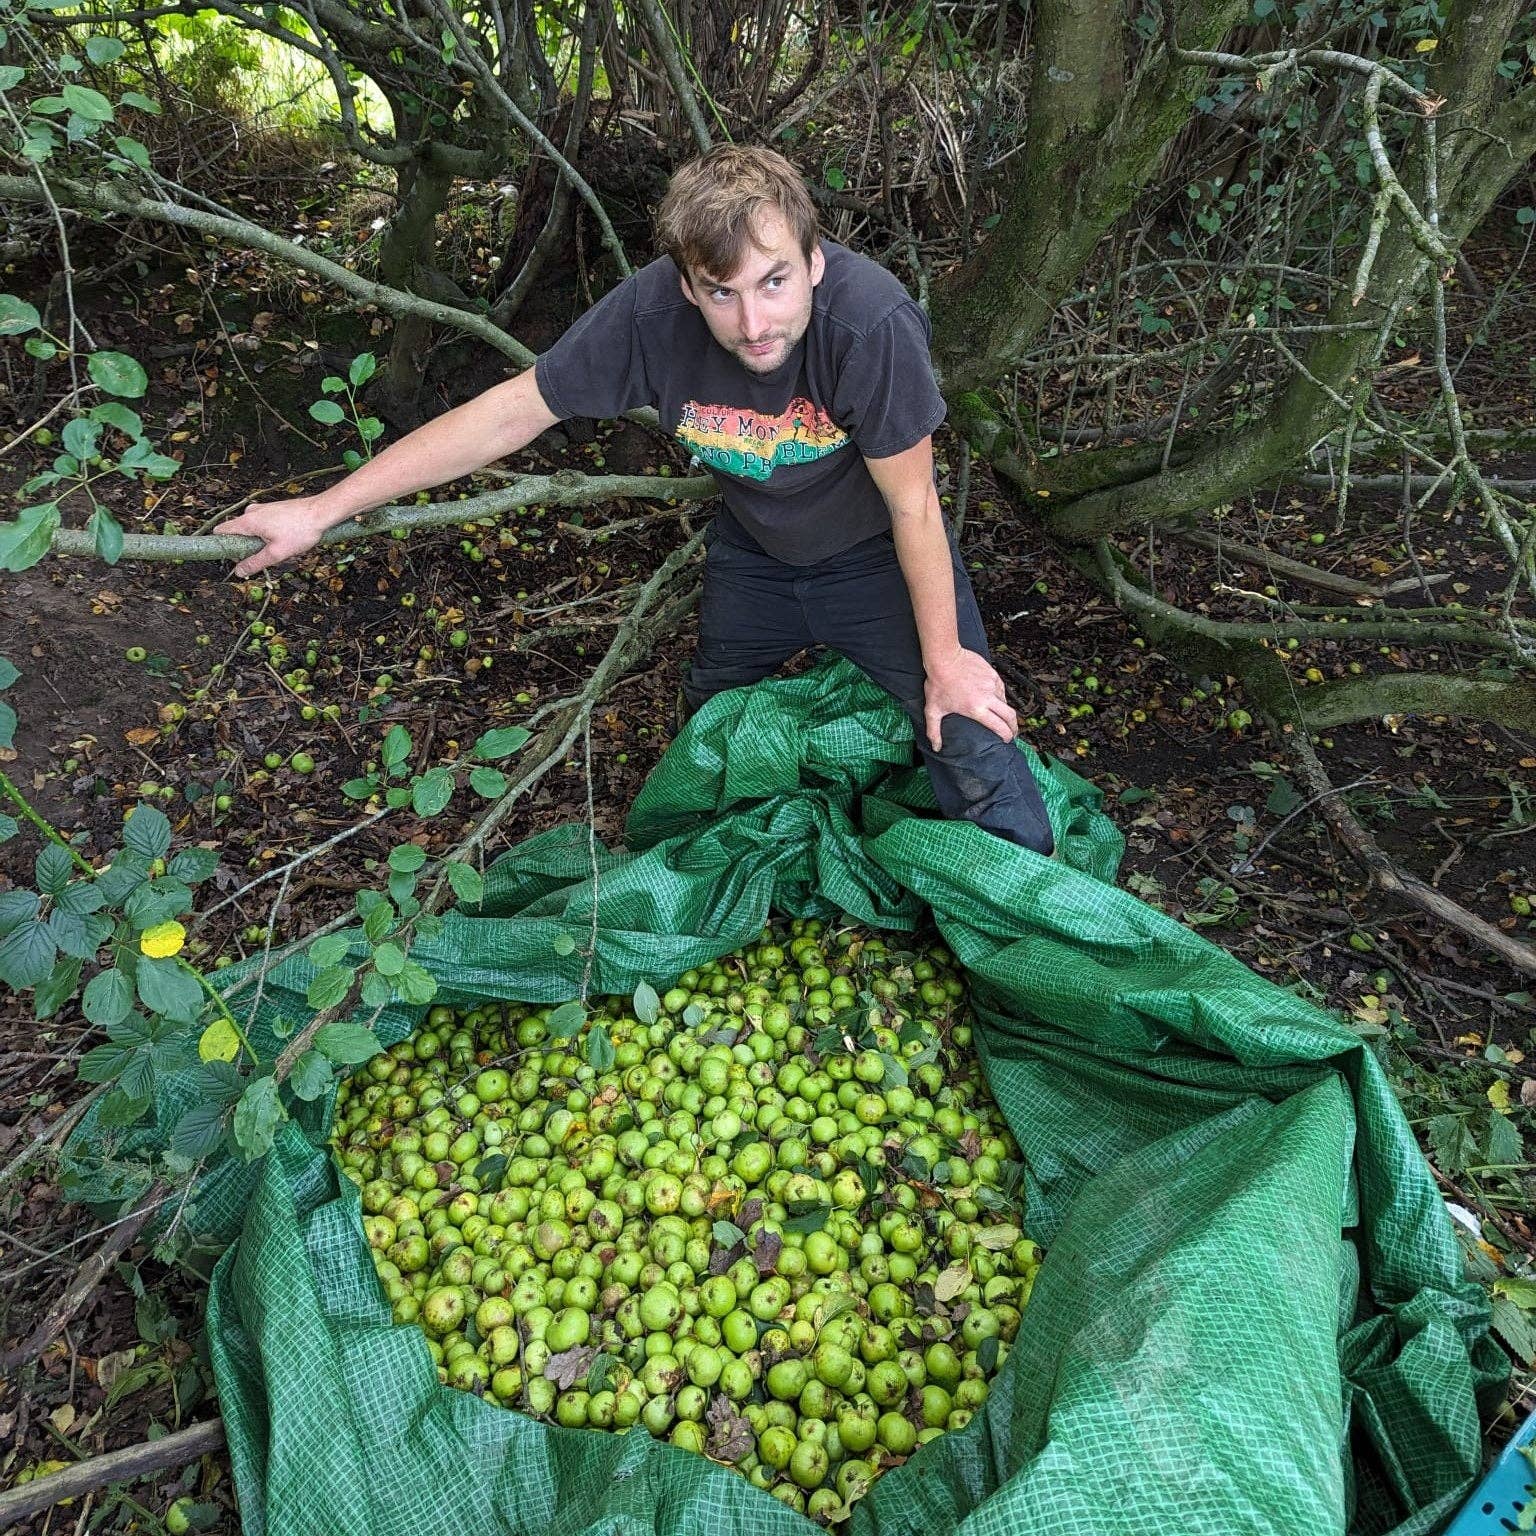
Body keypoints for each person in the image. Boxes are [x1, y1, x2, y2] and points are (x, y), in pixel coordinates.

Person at [219, 144, 1055, 855]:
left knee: (969, 735)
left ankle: (1030, 924)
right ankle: (703, 879)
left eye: (773, 283)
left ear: (814, 263)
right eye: (721, 292)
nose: (753, 321)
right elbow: (508, 414)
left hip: (877, 556)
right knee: (711, 725)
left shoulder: (869, 326)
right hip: (756, 554)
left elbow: (915, 509)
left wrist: (944, 662)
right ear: (687, 286)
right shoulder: (649, 316)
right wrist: (322, 508)